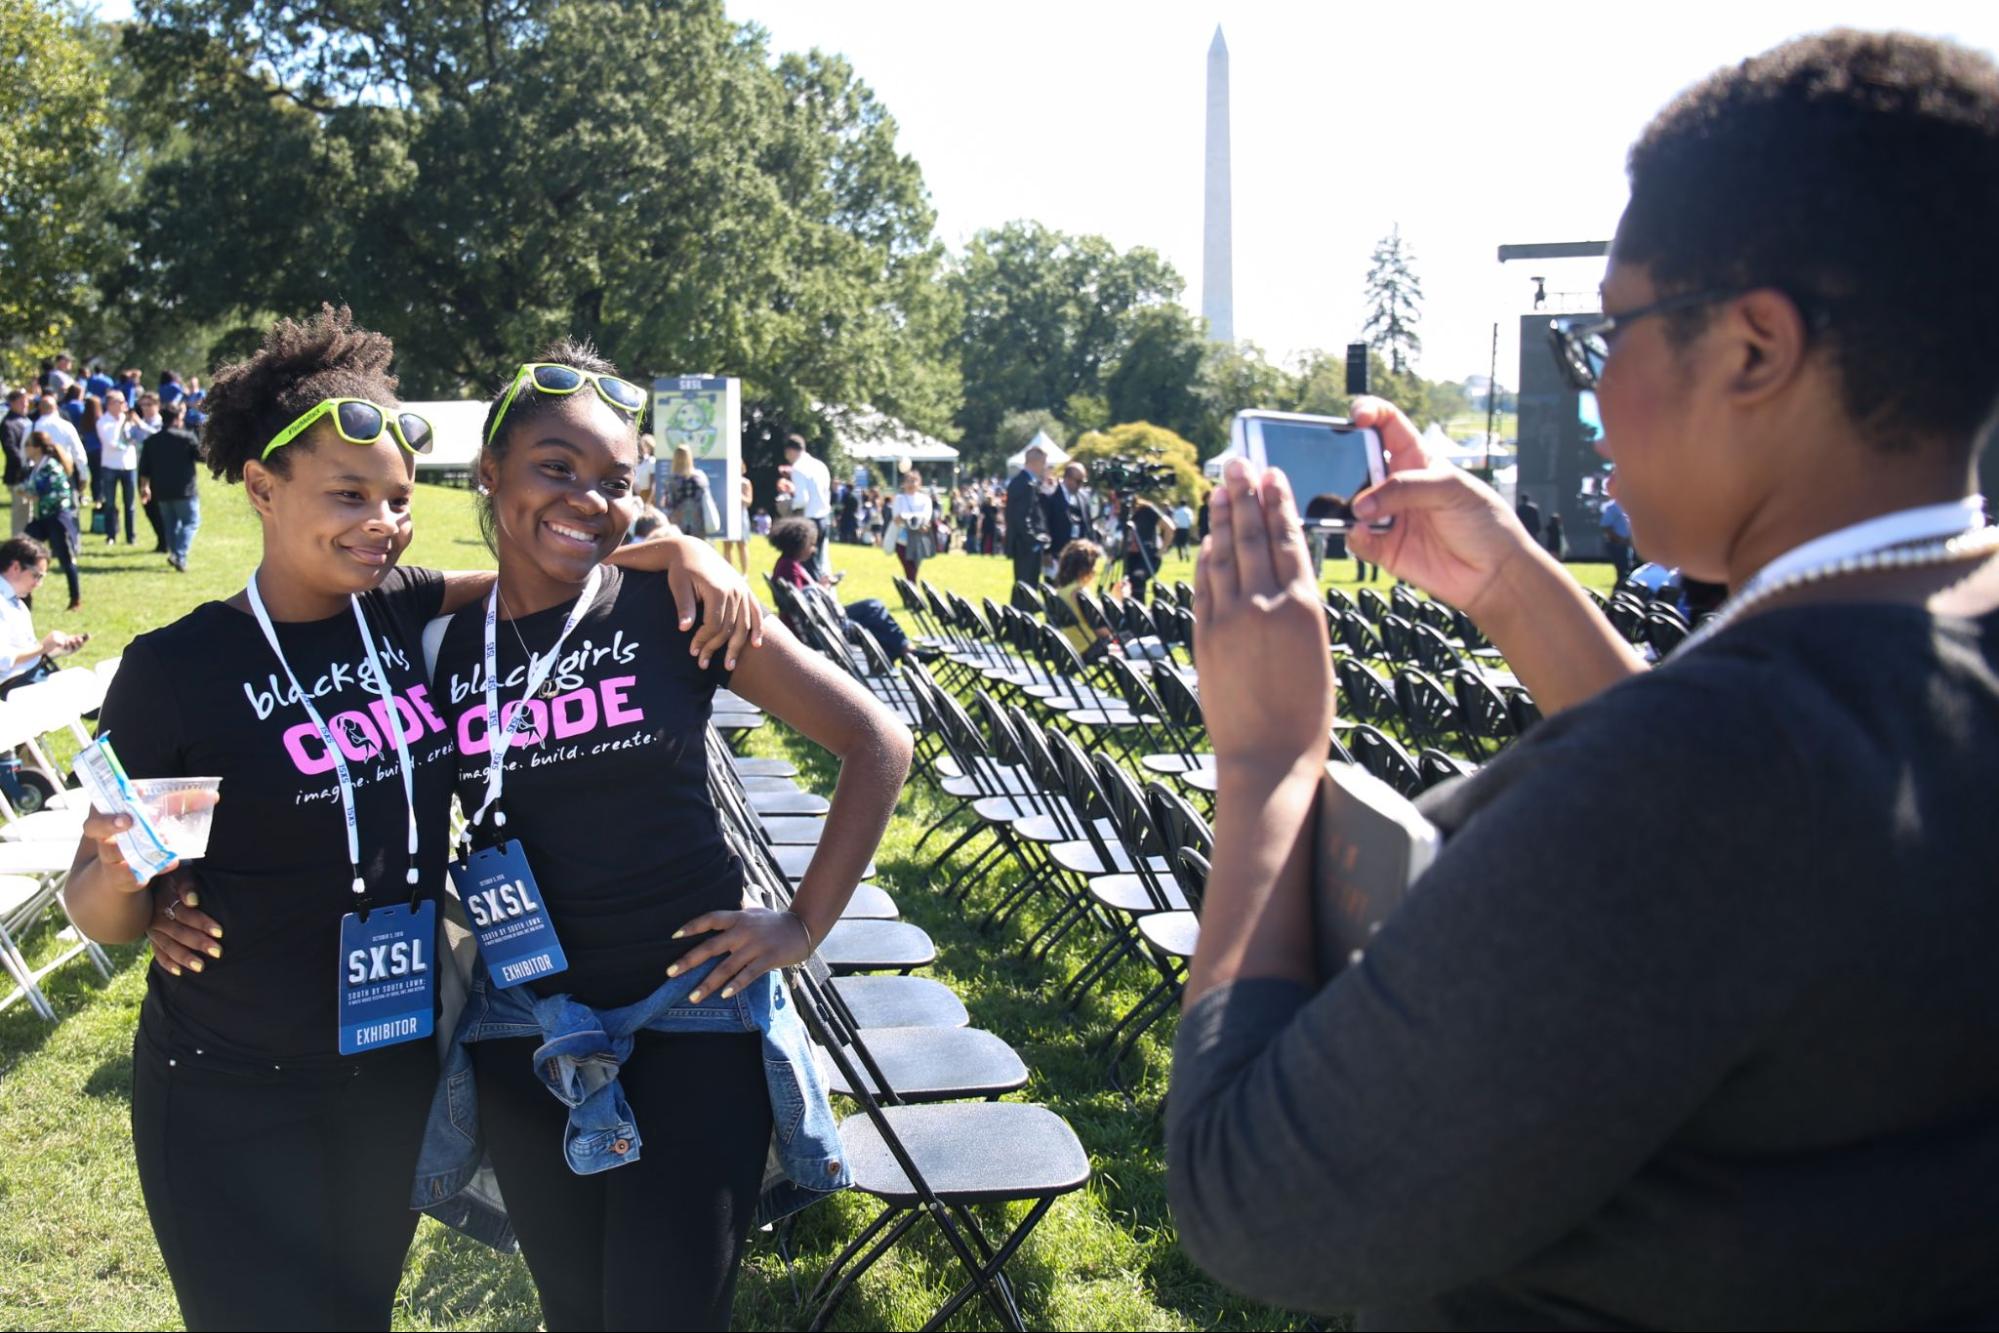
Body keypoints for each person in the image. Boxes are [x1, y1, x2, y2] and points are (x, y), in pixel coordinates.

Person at [1168, 31, 1999, 1328]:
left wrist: (1267, 756)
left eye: (1608, 329)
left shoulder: (1706, 780)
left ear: (1751, 350)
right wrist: (1506, 584)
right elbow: (1764, 850)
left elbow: (1252, 1198)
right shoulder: (1909, 659)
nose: (1593, 384)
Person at [57, 307, 762, 1333]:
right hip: (229, 1080)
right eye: (347, 496)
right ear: (261, 489)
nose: (379, 524)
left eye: (395, 500)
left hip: (388, 1070)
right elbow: (99, 910)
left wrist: (683, 547)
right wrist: (134, 878)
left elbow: (555, 559)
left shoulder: (402, 610)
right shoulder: (181, 671)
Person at [429, 345, 909, 1329]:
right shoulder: (444, 639)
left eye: (614, 482)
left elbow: (875, 741)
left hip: (690, 1018)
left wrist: (803, 924)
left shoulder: (672, 602)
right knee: (574, 1311)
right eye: (554, 468)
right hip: (524, 1026)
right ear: (490, 470)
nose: (586, 499)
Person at [769, 517, 907, 662]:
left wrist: (820, 585)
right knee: (873, 608)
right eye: (811, 545)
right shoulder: (789, 568)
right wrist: (823, 588)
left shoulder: (786, 564)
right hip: (823, 627)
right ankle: (903, 651)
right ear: (798, 544)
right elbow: (803, 605)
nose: (813, 550)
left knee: (873, 611)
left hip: (822, 622)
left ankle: (900, 652)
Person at [0, 536, 84, 685]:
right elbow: (3, 661)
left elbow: (23, 655)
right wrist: (42, 647)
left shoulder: (17, 602)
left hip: (28, 680)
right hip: (11, 691)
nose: (39, 584)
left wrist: (56, 649)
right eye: (37, 576)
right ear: (15, 567)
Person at [138, 400, 203, 570]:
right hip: (185, 490)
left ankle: (174, 554)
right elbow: (202, 457)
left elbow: (144, 468)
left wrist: (144, 487)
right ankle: (179, 555)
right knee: (191, 522)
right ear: (177, 419)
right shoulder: (186, 438)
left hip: (161, 490)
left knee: (170, 525)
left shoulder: (151, 441)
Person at [24, 430, 82, 611]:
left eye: (28, 445)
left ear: (36, 448)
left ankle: (75, 599)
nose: (25, 449)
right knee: (22, 550)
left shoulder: (51, 466)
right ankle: (24, 596)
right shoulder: (37, 465)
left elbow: (58, 492)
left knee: (65, 559)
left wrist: (35, 494)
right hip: (42, 518)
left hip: (57, 518)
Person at [782, 433, 832, 579]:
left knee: (808, 568)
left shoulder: (798, 468)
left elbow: (802, 499)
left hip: (808, 521)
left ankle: (814, 598)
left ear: (790, 450)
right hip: (823, 518)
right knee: (820, 563)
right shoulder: (820, 465)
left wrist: (788, 505)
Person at [97, 390, 141, 545]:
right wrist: (129, 442)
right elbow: (112, 443)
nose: (124, 405)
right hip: (110, 465)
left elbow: (140, 435)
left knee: (130, 504)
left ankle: (131, 536)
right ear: (110, 404)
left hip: (128, 466)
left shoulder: (129, 420)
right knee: (110, 504)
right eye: (120, 402)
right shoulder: (103, 422)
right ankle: (111, 535)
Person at [125, 391, 167, 551]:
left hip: (159, 470)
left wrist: (139, 424)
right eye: (142, 405)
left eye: (149, 405)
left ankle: (166, 540)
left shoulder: (161, 423)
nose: (145, 408)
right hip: (142, 469)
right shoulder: (139, 423)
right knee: (148, 507)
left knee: (160, 506)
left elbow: (155, 436)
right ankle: (161, 539)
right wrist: (126, 422)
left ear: (157, 406)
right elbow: (125, 439)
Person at [1005, 444, 1050, 590]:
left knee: (1028, 586)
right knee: (1025, 587)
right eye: (1043, 463)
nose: (1045, 467)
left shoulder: (1025, 482)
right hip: (1025, 545)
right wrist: (1034, 538)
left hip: (1026, 544)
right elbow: (1022, 517)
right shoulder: (1024, 484)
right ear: (1035, 463)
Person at [1122, 495, 1172, 604]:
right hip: (1131, 556)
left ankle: (1139, 611)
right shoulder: (1122, 512)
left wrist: (1162, 550)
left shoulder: (1147, 509)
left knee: (1137, 577)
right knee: (1126, 581)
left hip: (1147, 556)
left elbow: (1169, 527)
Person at [889, 467, 935, 581]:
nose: (911, 484)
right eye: (908, 481)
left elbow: (926, 518)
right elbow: (897, 518)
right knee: (909, 571)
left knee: (913, 571)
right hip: (902, 541)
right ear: (903, 483)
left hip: (918, 541)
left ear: (919, 483)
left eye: (914, 481)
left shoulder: (925, 500)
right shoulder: (899, 499)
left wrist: (917, 521)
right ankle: (912, 593)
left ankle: (910, 593)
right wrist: (908, 519)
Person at [663, 443, 717, 538]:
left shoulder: (671, 481)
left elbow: (668, 504)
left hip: (678, 526)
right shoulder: (700, 477)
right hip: (698, 524)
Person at [4, 389, 34, 536]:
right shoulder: (8, 424)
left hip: (31, 471)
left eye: (26, 401)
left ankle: (26, 539)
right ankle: (17, 540)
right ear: (12, 403)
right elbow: (11, 449)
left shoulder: (27, 421)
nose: (25, 404)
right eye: (21, 402)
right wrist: (25, 464)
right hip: (18, 474)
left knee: (30, 511)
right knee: (20, 510)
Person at [1600, 490, 1634, 581]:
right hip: (1617, 544)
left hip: (1628, 544)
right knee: (1623, 572)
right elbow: (1606, 526)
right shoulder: (1613, 507)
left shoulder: (1629, 505)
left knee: (1629, 571)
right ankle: (1619, 591)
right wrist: (1620, 540)